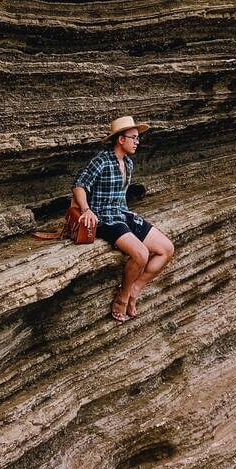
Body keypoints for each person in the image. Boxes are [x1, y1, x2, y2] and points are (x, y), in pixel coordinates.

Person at [72, 116, 174, 322]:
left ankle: (136, 288)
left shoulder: (127, 162)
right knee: (141, 254)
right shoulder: (101, 160)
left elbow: (121, 194)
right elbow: (79, 185)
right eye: (134, 138)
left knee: (166, 249)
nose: (137, 142)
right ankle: (123, 296)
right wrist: (86, 209)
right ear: (121, 139)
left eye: (138, 138)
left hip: (122, 214)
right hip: (104, 218)